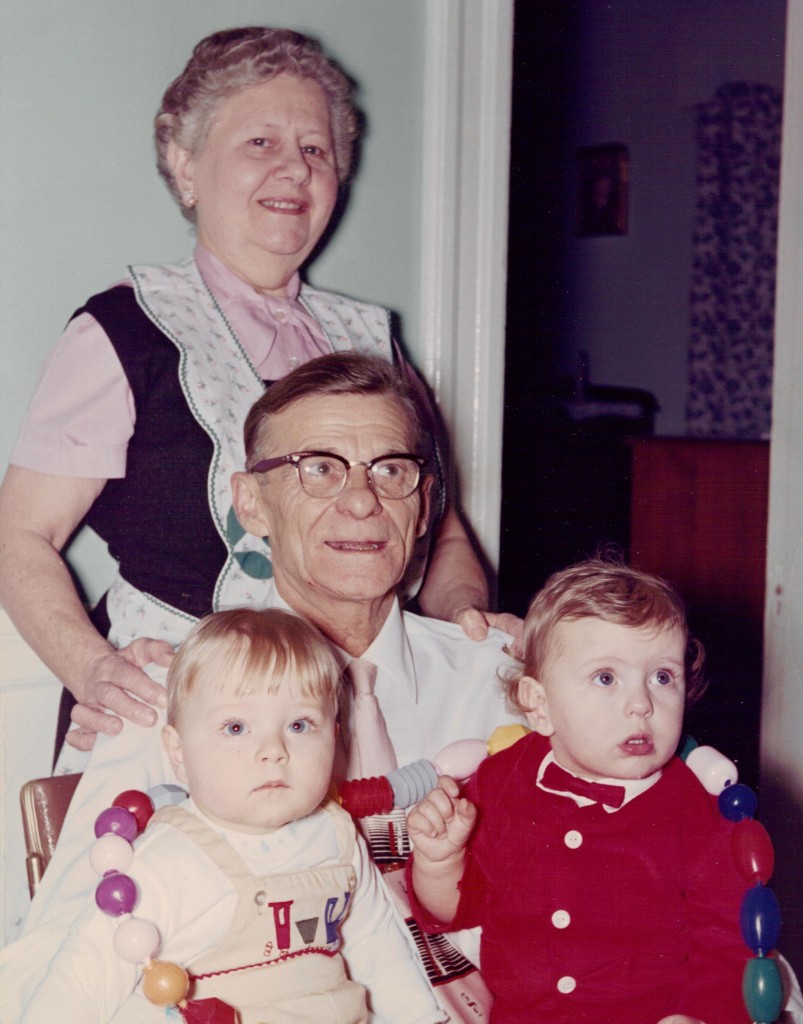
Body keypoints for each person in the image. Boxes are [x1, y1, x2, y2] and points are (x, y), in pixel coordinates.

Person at [0, 26, 508, 769]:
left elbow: (444, 532)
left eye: (316, 150)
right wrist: (92, 669)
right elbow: (21, 536)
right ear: (185, 166)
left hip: (359, 714)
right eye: (260, 144)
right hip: (182, 716)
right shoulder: (124, 329)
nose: (295, 170)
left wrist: (465, 623)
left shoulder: (373, 342)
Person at [0, 353, 522, 1022]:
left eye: (390, 470)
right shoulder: (173, 698)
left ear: (422, 506)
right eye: (319, 468)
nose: (361, 501)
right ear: (251, 503)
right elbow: (64, 955)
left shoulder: (504, 679)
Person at [18, 607, 445, 1024]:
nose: (274, 750)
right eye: (236, 728)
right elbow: (81, 983)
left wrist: (420, 1016)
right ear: (179, 754)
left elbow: (378, 946)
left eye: (299, 725)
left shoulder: (336, 834)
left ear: (334, 736)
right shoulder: (170, 861)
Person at [406, 558, 759, 1024]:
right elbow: (456, 910)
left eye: (662, 677)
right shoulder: (499, 781)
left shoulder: (697, 811)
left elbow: (729, 946)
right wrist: (438, 860)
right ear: (539, 705)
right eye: (606, 678)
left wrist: (698, 1014)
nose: (641, 704)